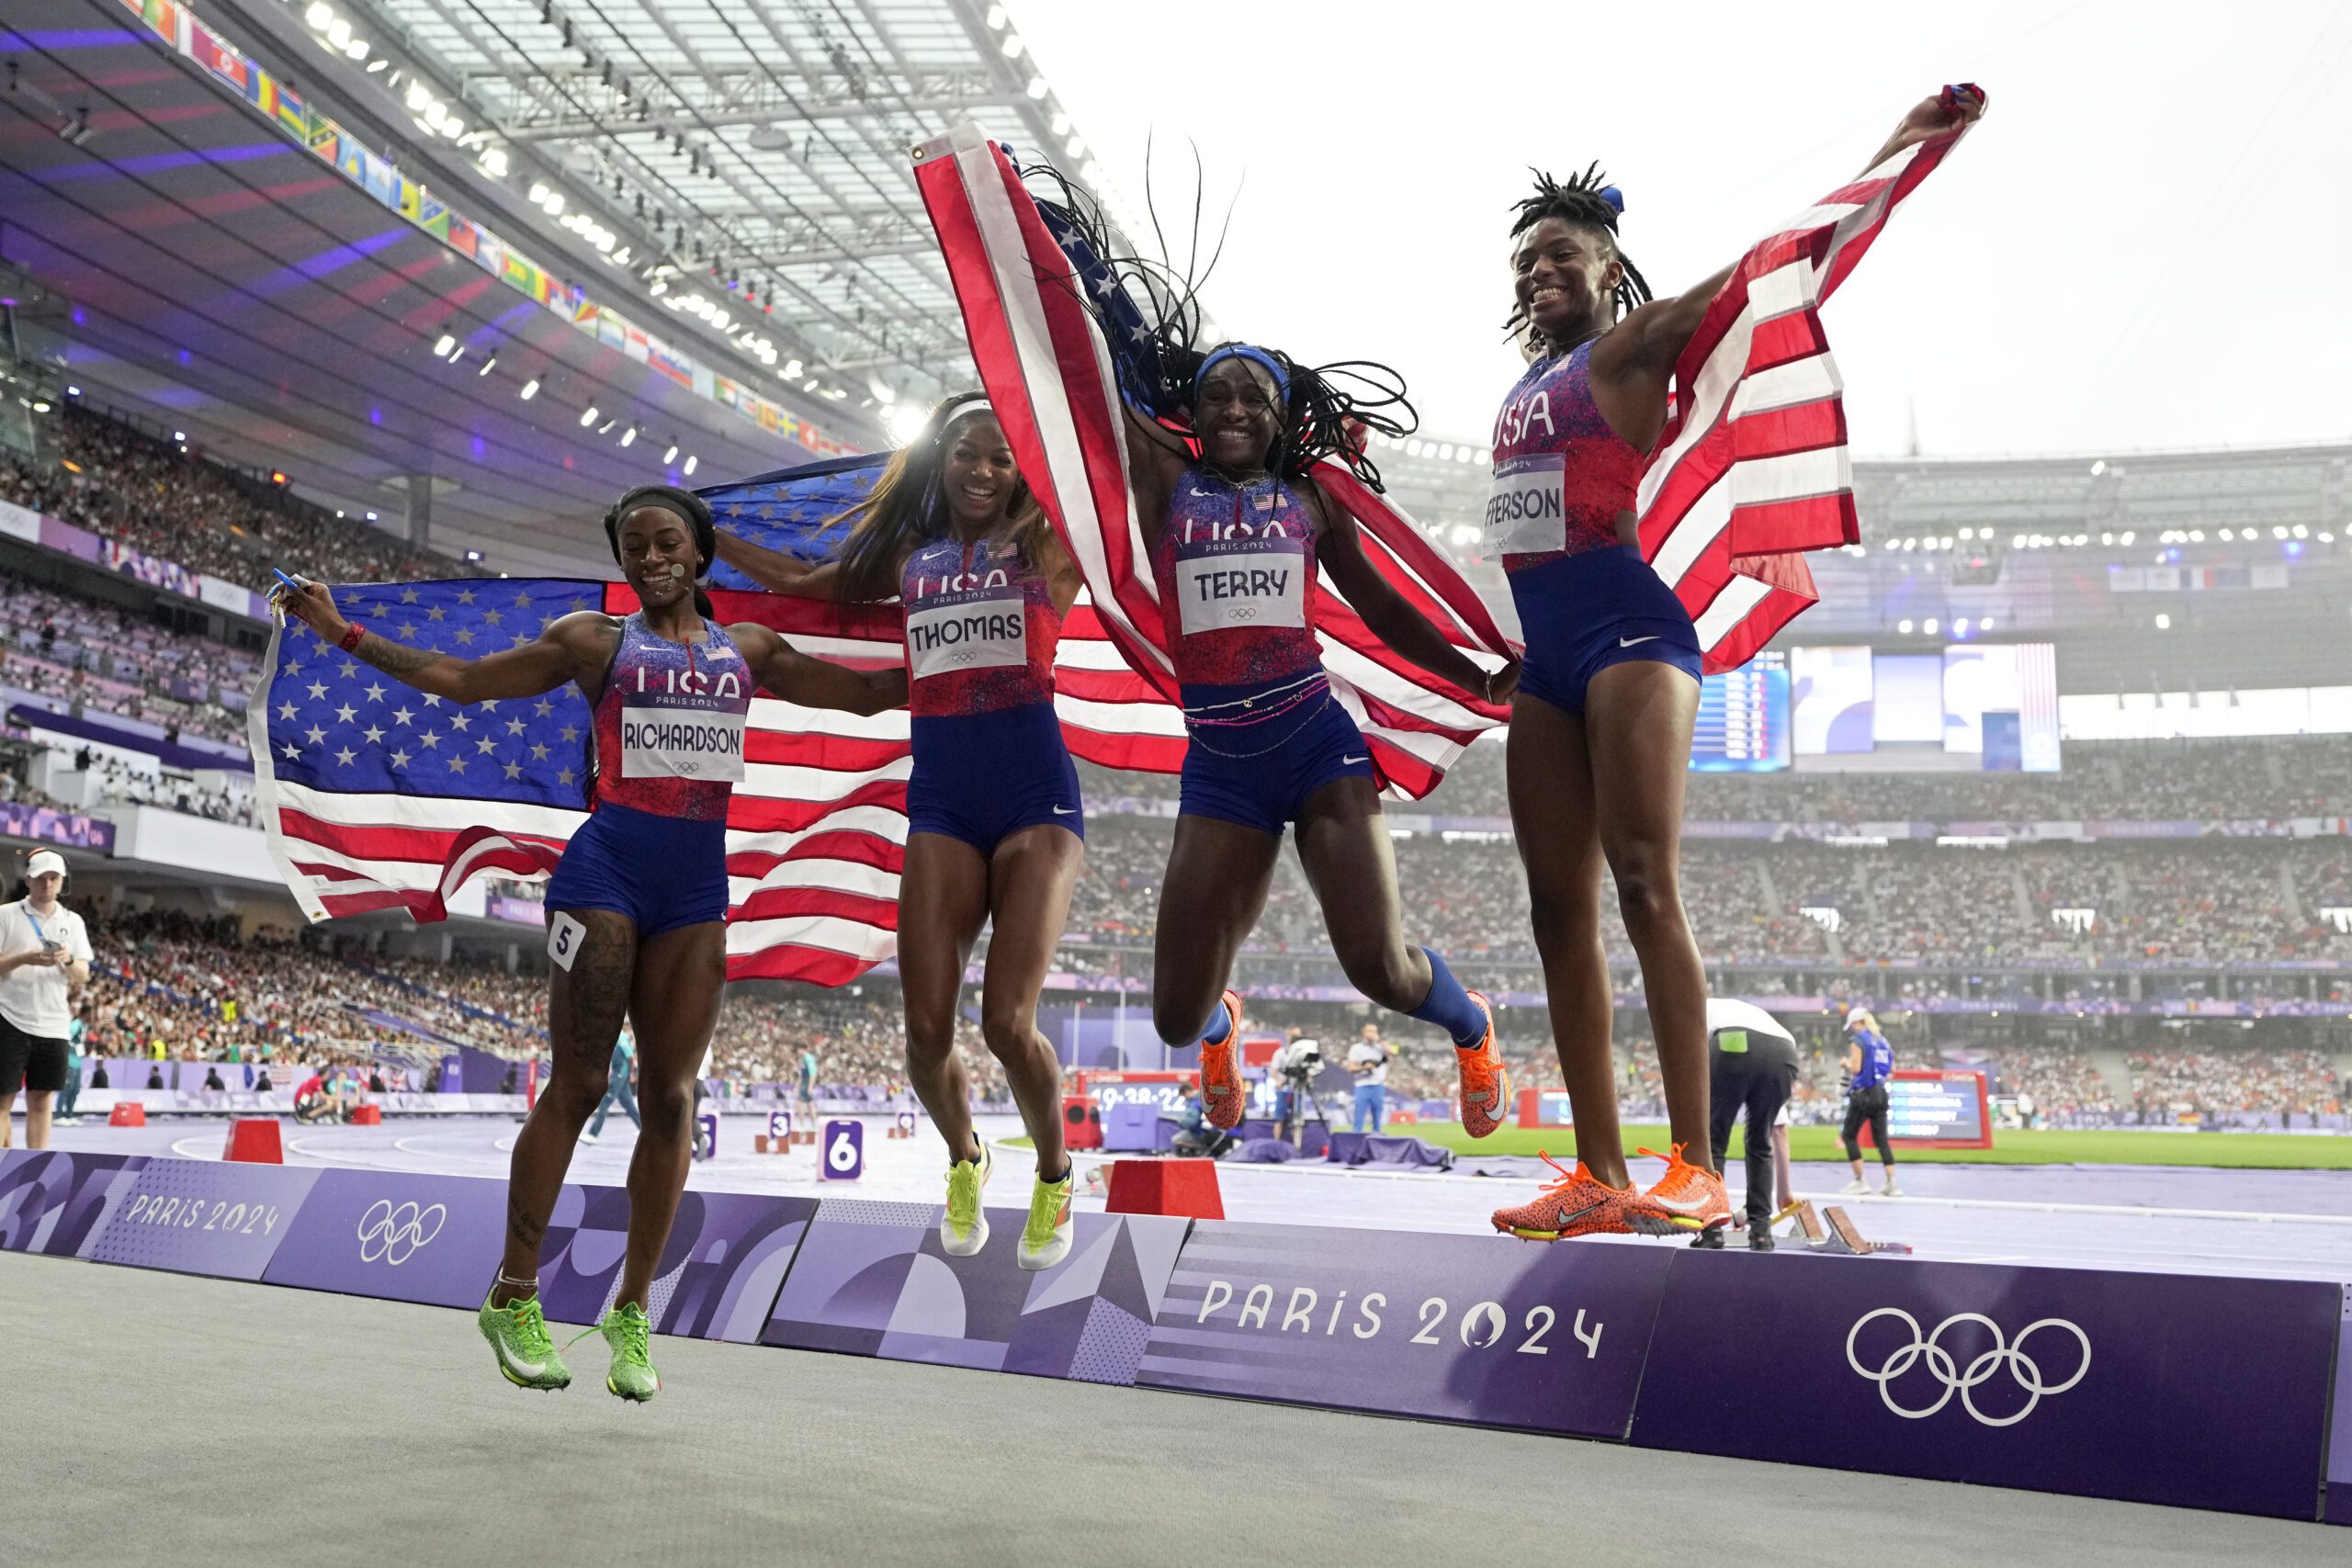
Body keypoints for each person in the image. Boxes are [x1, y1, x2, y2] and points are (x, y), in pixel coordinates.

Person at [273, 482, 905, 1401]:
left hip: (695, 890)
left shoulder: (751, 649)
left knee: (673, 1100)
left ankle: (633, 1311)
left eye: (665, 545)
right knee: (575, 1083)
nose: (649, 559)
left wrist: (984, 660)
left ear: (699, 556)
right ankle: (513, 1293)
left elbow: (862, 697)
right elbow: (463, 682)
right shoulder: (591, 641)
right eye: (633, 549)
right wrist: (342, 633)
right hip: (604, 873)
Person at [1488, 88, 1984, 1245]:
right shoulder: (1520, 390)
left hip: (1631, 635)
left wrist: (1895, 154)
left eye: (1559, 254)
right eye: (1525, 263)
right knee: (1555, 910)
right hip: (1545, 659)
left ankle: (1697, 1164)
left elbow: (1775, 268)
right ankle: (1599, 1173)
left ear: (1609, 269)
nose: (1537, 272)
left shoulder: (1635, 343)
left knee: (1641, 880)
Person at [716, 396, 1088, 1270]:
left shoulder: (1048, 547)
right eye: (967, 453)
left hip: (1037, 796)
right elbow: (809, 586)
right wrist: (712, 537)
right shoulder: (912, 559)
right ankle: (965, 1157)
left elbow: (1107, 483)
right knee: (924, 1032)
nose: (984, 470)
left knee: (1006, 1021)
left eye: (1003, 457)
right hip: (944, 802)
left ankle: (1055, 1171)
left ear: (1022, 466)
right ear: (942, 460)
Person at [1115, 347, 1513, 1139]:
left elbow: (1385, 611)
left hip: (1314, 746)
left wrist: (1476, 676)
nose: (1233, 409)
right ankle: (1221, 1029)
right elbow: (1092, 375)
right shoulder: (1165, 482)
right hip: (1222, 765)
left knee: (1381, 969)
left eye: (1252, 398)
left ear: (1280, 416)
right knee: (1173, 1017)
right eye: (1216, 396)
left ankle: (1472, 1026)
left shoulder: (1309, 501)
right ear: (1190, 416)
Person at [0, 850, 93, 1152]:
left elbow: (82, 974)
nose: (47, 884)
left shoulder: (73, 921)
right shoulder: (6, 915)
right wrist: (26, 958)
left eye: (54, 878)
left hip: (53, 1023)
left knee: (41, 1100)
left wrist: (65, 961)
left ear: (62, 881)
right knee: (3, 1099)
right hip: (9, 1016)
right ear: (28, 879)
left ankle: (33, 1169)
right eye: (41, 878)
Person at [1691, 998, 1798, 1252]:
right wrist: (1784, 1191)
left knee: (1714, 1143)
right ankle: (1762, 1234)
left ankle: (1712, 1229)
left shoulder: (1698, 1007)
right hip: (1784, 1052)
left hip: (1734, 1040)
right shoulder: (1756, 1017)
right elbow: (1779, 1131)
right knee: (1760, 1143)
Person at [1840, 1009, 1901, 1197]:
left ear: (1858, 1023)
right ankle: (1892, 1183)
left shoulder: (1859, 1040)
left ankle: (1860, 1181)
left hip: (1863, 1093)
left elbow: (1856, 1068)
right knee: (1881, 1139)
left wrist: (1845, 1064)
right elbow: (1892, 1069)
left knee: (1849, 1136)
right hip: (1881, 1093)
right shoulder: (1883, 1041)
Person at [582, 1025, 639, 1144]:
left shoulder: (621, 1037)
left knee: (605, 1102)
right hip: (619, 1074)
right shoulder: (612, 1038)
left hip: (620, 1074)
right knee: (628, 1105)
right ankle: (644, 1130)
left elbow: (630, 1057)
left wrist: (631, 1073)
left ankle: (593, 1134)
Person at [1346, 1023, 1393, 1134]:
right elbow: (1351, 1068)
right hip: (1362, 1085)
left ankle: (1377, 1138)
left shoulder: (1381, 1047)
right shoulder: (1356, 1048)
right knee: (1359, 1115)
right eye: (1369, 1031)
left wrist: (1379, 1040)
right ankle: (1356, 1137)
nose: (1371, 1033)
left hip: (1377, 1085)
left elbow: (1392, 1052)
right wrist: (1364, 1067)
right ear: (1363, 1032)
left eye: (1374, 1031)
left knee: (1377, 1115)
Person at [54, 1000, 88, 1126]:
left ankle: (69, 1114)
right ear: (86, 1014)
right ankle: (59, 1115)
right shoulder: (75, 1025)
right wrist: (73, 1048)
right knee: (66, 1089)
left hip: (78, 1062)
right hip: (70, 1061)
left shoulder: (84, 1026)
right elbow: (65, 1039)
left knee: (75, 1089)